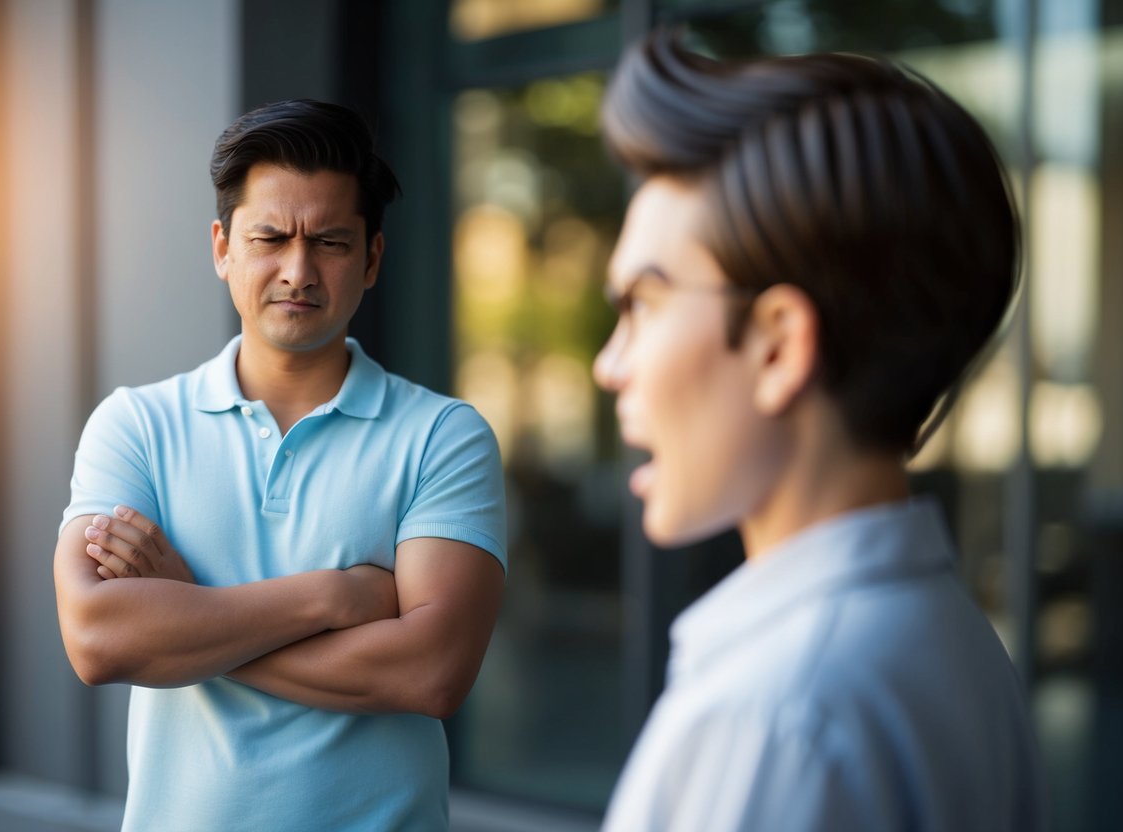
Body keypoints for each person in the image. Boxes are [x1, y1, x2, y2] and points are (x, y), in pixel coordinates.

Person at [592, 29, 1044, 831]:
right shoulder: (956, 640)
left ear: (778, 345)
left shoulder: (776, 716)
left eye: (643, 304)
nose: (609, 365)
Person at [53, 100, 507, 832]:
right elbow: (99, 641)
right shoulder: (135, 424)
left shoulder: (441, 436)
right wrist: (333, 597)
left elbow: (431, 672)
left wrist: (187, 610)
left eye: (329, 241)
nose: (298, 271)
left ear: (372, 258)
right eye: (270, 237)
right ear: (222, 247)